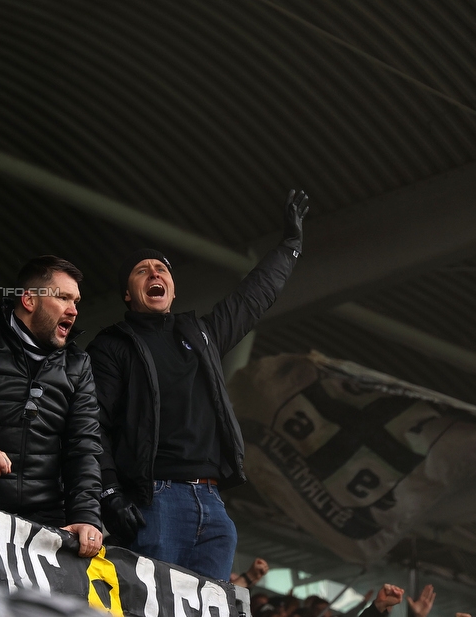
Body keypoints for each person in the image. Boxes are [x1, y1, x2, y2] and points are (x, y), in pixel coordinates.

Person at [87, 190, 309, 581]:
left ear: (172, 289)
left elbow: (252, 297)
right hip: (155, 500)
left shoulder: (203, 335)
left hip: (213, 504)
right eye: (142, 270)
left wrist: (289, 246)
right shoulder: (112, 346)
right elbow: (93, 423)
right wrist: (108, 492)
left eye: (162, 269)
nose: (155, 273)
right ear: (127, 294)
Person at [0, 256, 102, 557]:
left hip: (44, 523)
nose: (74, 310)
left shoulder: (78, 364)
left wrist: (85, 516)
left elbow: (83, 447)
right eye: (63, 298)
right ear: (29, 300)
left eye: (76, 301)